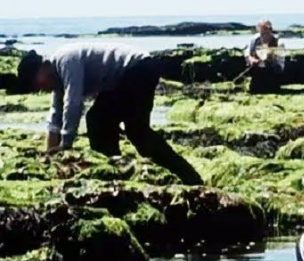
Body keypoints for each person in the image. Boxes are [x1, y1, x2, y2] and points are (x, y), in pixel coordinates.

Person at [14, 43, 203, 185]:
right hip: (127, 76)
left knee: (115, 124)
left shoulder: (66, 61)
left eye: (36, 83)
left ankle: (188, 178)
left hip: (139, 68)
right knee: (119, 126)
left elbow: (73, 103)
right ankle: (116, 171)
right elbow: (55, 117)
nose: (39, 89)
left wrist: (66, 146)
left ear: (43, 66)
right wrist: (50, 158)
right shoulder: (57, 80)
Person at [245, 19, 284, 94]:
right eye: (262, 33)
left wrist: (269, 58)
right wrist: (252, 59)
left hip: (274, 71)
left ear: (270, 30)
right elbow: (247, 53)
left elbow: (279, 64)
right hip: (257, 71)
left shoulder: (279, 42)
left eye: (266, 32)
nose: (263, 36)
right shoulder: (254, 40)